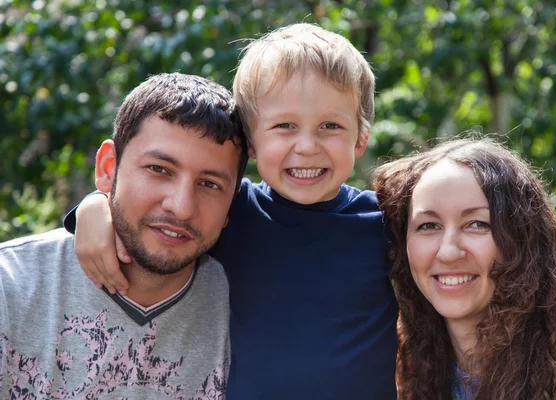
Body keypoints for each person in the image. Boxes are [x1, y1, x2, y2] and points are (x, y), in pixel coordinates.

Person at [63, 24, 398, 399]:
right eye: (284, 126)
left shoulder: (385, 224)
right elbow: (145, 209)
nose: (306, 146)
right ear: (251, 141)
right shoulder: (233, 211)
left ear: (361, 137)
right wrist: (93, 208)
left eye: (330, 126)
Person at [0, 72, 248, 399]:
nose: (182, 207)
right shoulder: (10, 287)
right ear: (107, 168)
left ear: (233, 201)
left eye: (210, 184)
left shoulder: (247, 307)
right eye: (159, 169)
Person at [371, 138, 556, 400]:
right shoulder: (392, 378)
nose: (448, 252)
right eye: (428, 226)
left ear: (524, 242)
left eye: (477, 224)